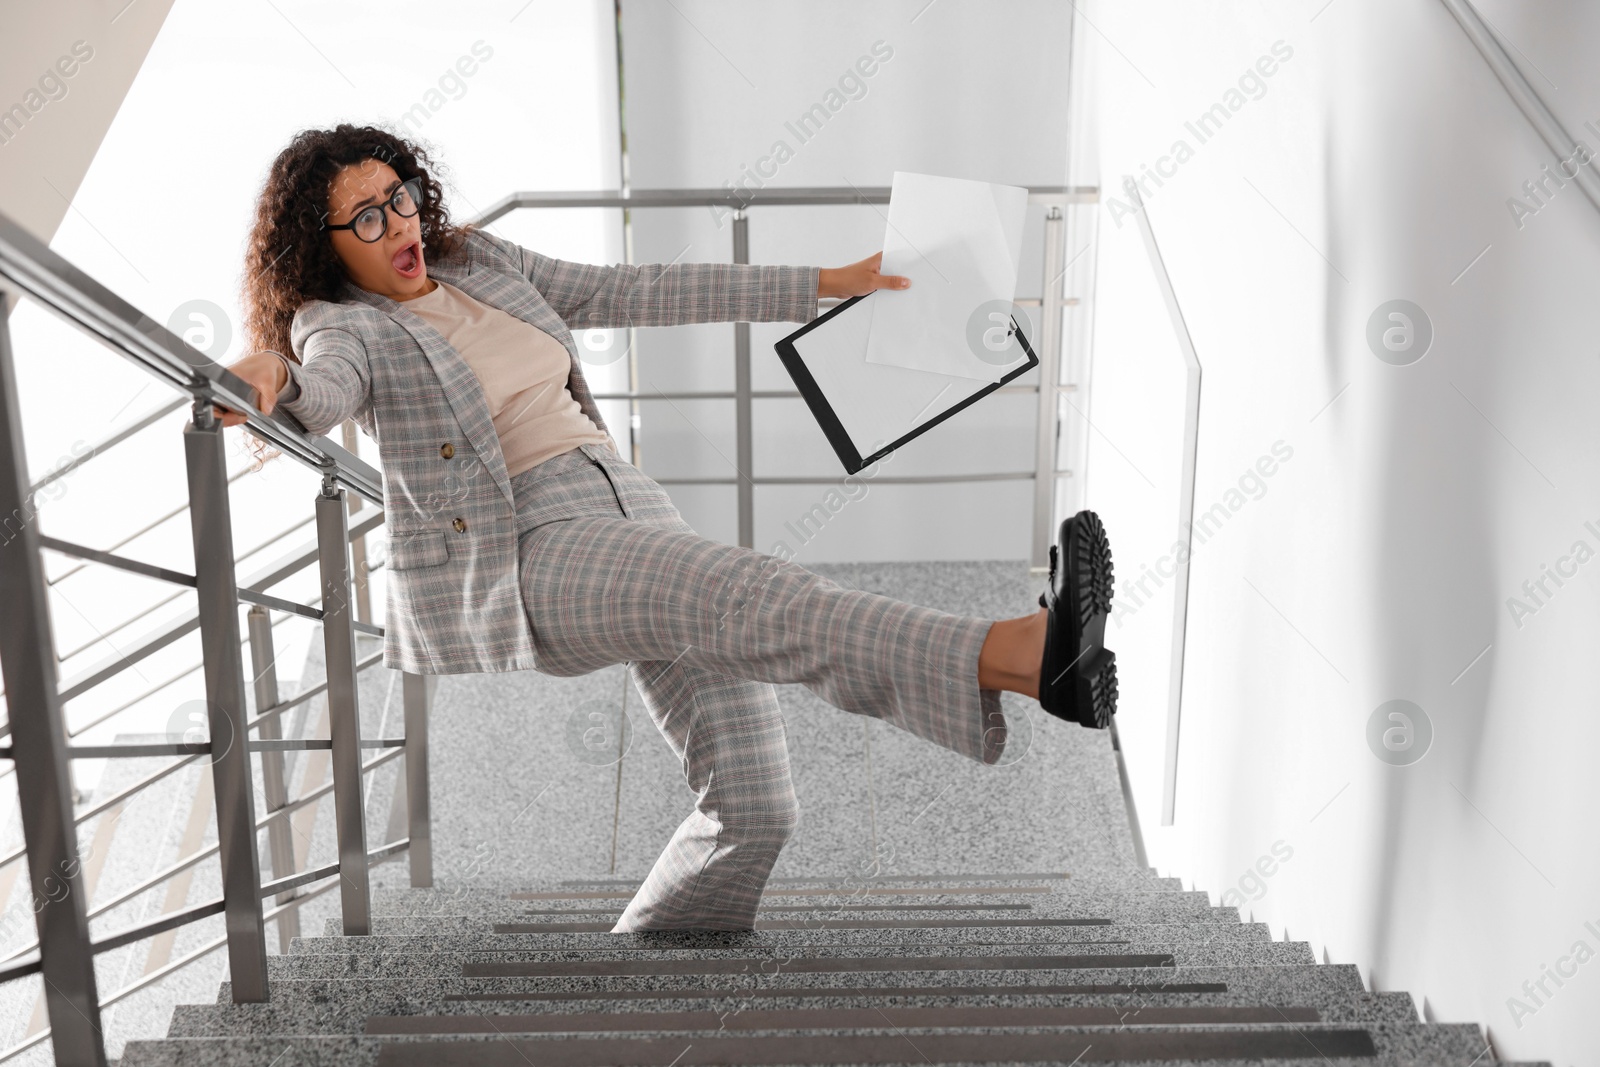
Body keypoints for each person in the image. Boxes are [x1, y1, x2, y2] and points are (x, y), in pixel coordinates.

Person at [218, 124, 1117, 931]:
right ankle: (1022, 656)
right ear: (323, 247)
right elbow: (324, 388)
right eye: (365, 219)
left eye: (399, 197)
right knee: (760, 595)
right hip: (529, 548)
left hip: (625, 502)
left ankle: (656, 952)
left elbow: (635, 289)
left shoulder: (479, 261)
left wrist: (823, 283)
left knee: (754, 804)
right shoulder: (338, 326)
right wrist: (272, 373)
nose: (399, 225)